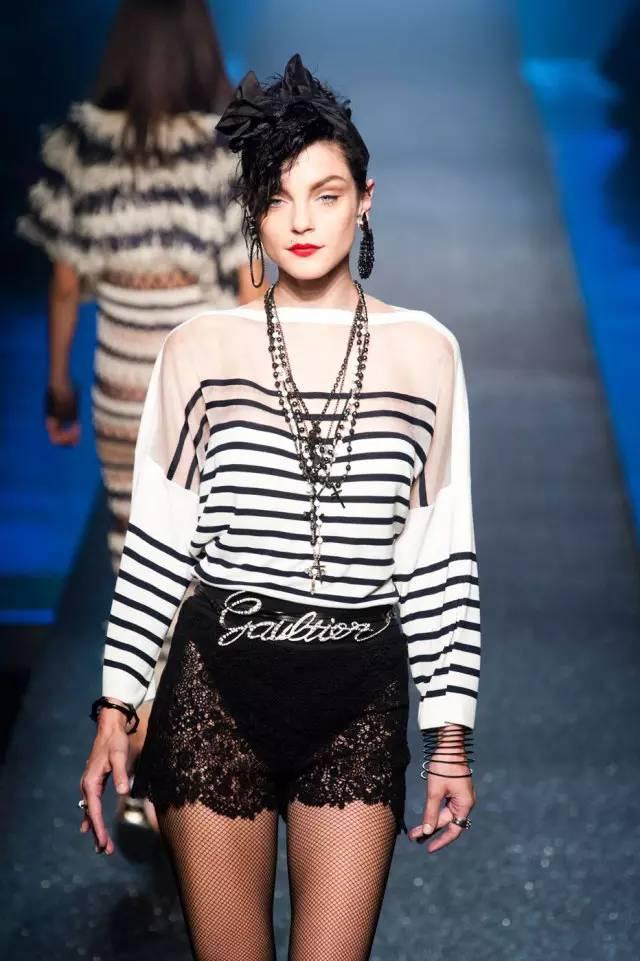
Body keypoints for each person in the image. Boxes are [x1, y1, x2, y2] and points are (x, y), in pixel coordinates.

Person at [79, 53, 481, 961]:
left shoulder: (427, 352)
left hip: (358, 695)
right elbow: (158, 547)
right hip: (216, 691)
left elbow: (438, 553)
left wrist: (449, 733)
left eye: (325, 194)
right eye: (277, 197)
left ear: (365, 200)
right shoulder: (198, 348)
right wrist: (119, 701)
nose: (300, 221)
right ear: (251, 210)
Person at [17, 0, 263, 837]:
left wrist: (57, 384)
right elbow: (249, 291)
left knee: (139, 565)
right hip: (204, 387)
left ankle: (140, 772)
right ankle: (189, 759)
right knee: (203, 569)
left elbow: (65, 281)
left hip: (123, 387)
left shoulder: (85, 145)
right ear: (200, 43)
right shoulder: (224, 150)